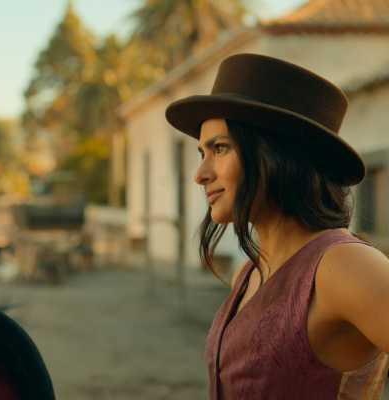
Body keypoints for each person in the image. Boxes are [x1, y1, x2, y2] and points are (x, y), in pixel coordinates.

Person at [165, 53, 389, 399]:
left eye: (220, 148)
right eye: (201, 153)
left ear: (276, 155)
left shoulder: (343, 265)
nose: (201, 174)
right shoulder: (248, 273)